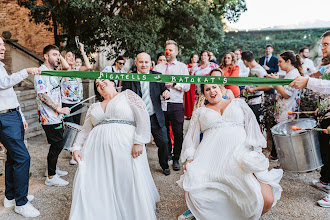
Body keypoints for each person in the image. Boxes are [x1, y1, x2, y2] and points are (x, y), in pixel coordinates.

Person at [178, 83, 283, 220]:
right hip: (209, 157)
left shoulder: (238, 103)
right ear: (204, 94)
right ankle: (201, 212)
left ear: (221, 89)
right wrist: (190, 157)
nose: (212, 91)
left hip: (239, 154)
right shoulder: (200, 112)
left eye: (214, 87)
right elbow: (191, 137)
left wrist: (256, 149)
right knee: (195, 189)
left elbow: (252, 126)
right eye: (207, 89)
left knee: (265, 198)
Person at [69, 79, 159, 219]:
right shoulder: (94, 107)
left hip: (125, 146)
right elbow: (85, 130)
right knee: (100, 182)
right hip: (96, 152)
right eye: (97, 85)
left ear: (113, 82)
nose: (100, 85)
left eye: (103, 81)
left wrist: (139, 141)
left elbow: (142, 116)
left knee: (126, 179)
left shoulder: (128, 95)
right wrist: (76, 147)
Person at [0, 37, 40, 217]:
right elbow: (4, 83)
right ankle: (21, 203)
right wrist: (26, 71)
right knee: (23, 157)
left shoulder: (1, 66)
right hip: (4, 118)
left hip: (12, 115)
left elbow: (9, 94)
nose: (3, 47)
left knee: (13, 158)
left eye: (2, 44)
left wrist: (21, 115)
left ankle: (11, 196)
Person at [122, 52, 171, 176]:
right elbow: (124, 95)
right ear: (136, 63)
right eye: (141, 62)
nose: (144, 65)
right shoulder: (129, 77)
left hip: (154, 116)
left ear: (151, 63)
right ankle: (137, 169)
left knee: (164, 142)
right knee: (136, 143)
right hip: (136, 118)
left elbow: (164, 89)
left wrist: (166, 93)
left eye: (146, 62)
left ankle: (164, 165)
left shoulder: (157, 76)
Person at [34, 45, 71, 186]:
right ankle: (50, 176)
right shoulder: (41, 72)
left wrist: (59, 56)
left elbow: (67, 68)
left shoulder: (54, 71)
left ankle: (52, 168)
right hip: (48, 116)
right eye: (54, 55)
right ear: (45, 56)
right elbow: (42, 95)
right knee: (58, 143)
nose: (57, 58)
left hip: (56, 116)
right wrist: (59, 109)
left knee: (57, 143)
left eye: (58, 55)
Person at [154, 40, 190, 171]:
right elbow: (154, 85)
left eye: (170, 50)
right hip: (161, 104)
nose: (167, 52)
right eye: (166, 49)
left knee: (178, 133)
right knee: (164, 132)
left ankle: (176, 158)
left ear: (177, 52)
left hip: (176, 104)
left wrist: (174, 84)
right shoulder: (158, 68)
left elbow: (187, 87)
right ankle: (167, 154)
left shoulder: (182, 67)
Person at [60, 43, 92, 165]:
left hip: (78, 102)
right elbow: (66, 66)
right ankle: (70, 150)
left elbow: (88, 67)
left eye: (73, 56)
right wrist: (61, 55)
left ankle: (74, 152)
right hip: (66, 103)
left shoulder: (77, 70)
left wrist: (82, 51)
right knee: (70, 127)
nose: (72, 58)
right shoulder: (63, 70)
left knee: (77, 127)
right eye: (69, 56)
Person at [241, 50, 268, 124]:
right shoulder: (251, 69)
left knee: (257, 124)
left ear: (245, 61)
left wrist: (254, 89)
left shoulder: (259, 71)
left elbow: (269, 85)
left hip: (257, 103)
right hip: (250, 101)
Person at [184, 53, 199, 119]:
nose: (195, 59)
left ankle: (194, 113)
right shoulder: (187, 66)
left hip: (195, 83)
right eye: (194, 57)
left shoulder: (199, 66)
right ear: (191, 58)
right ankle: (188, 114)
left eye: (196, 57)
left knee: (194, 98)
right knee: (187, 98)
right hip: (189, 82)